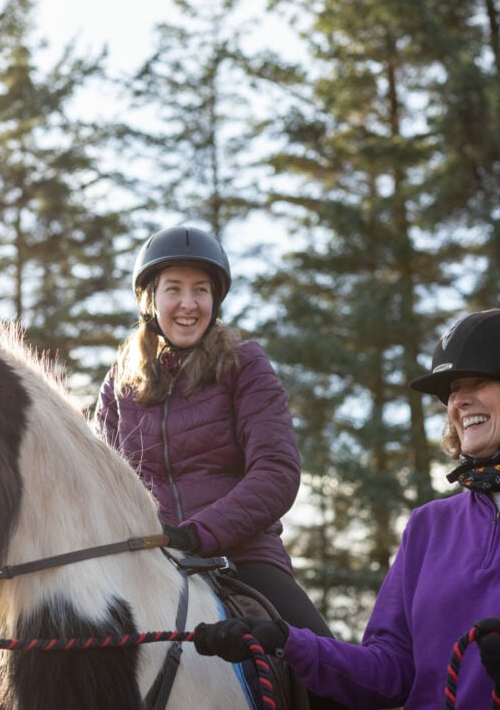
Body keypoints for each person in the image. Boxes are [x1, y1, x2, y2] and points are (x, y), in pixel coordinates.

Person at [193, 309, 500, 709]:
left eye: (478, 383)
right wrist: (284, 641)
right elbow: (388, 672)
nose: (458, 401)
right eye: (453, 390)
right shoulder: (429, 526)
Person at [94, 224, 343, 709]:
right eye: (174, 290)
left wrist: (197, 533)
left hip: (242, 559)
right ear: (150, 300)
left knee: (332, 678)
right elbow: (98, 487)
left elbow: (276, 472)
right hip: (145, 565)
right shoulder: (118, 385)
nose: (189, 304)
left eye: (201, 291)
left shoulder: (245, 364)